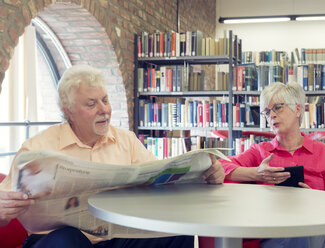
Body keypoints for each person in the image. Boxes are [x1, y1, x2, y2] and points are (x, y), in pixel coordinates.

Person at [0, 64, 225, 248]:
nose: (104, 110)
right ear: (68, 110)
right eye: (91, 104)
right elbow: (4, 214)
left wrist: (206, 175)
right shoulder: (38, 147)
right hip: (55, 240)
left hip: (114, 238)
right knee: (67, 239)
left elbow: (162, 179)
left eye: (105, 100)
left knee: (178, 230)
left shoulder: (125, 140)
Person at [220, 82, 325, 248]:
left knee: (297, 227)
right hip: (274, 226)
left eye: (278, 107)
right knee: (289, 229)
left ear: (297, 109)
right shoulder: (260, 151)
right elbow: (221, 166)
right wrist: (257, 173)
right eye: (267, 111)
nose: (271, 115)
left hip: (319, 224)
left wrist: (316, 201)